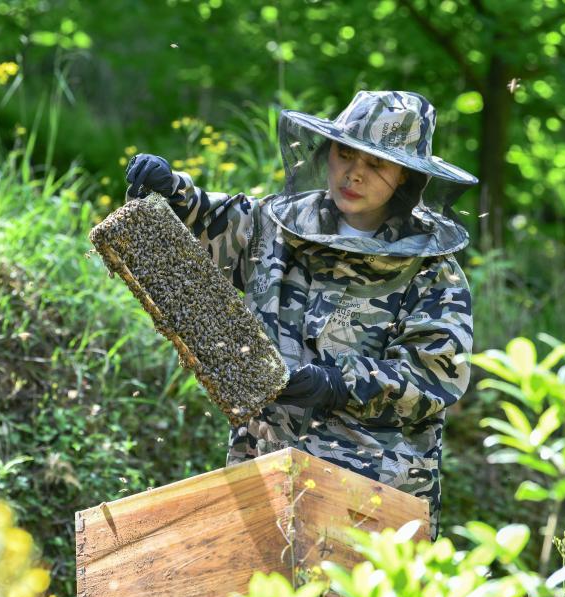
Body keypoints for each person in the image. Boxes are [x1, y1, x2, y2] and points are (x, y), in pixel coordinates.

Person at [124, 90, 477, 540]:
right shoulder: (279, 223)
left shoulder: (432, 272)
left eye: (376, 165)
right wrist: (171, 189)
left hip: (373, 495)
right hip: (263, 465)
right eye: (345, 154)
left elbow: (434, 378)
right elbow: (209, 223)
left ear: (405, 177)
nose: (354, 174)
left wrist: (337, 382)